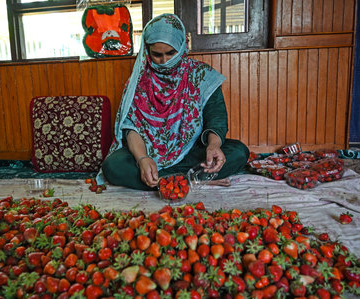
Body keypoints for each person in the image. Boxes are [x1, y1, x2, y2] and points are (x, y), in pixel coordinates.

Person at [98, 13, 249, 190]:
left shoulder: (201, 76)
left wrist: (213, 146)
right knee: (113, 165)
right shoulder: (138, 83)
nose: (164, 62)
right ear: (147, 51)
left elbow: (216, 118)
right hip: (148, 152)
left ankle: (163, 181)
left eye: (171, 53)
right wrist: (142, 159)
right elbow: (131, 128)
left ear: (182, 46)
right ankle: (192, 179)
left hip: (191, 151)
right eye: (157, 55)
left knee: (239, 151)